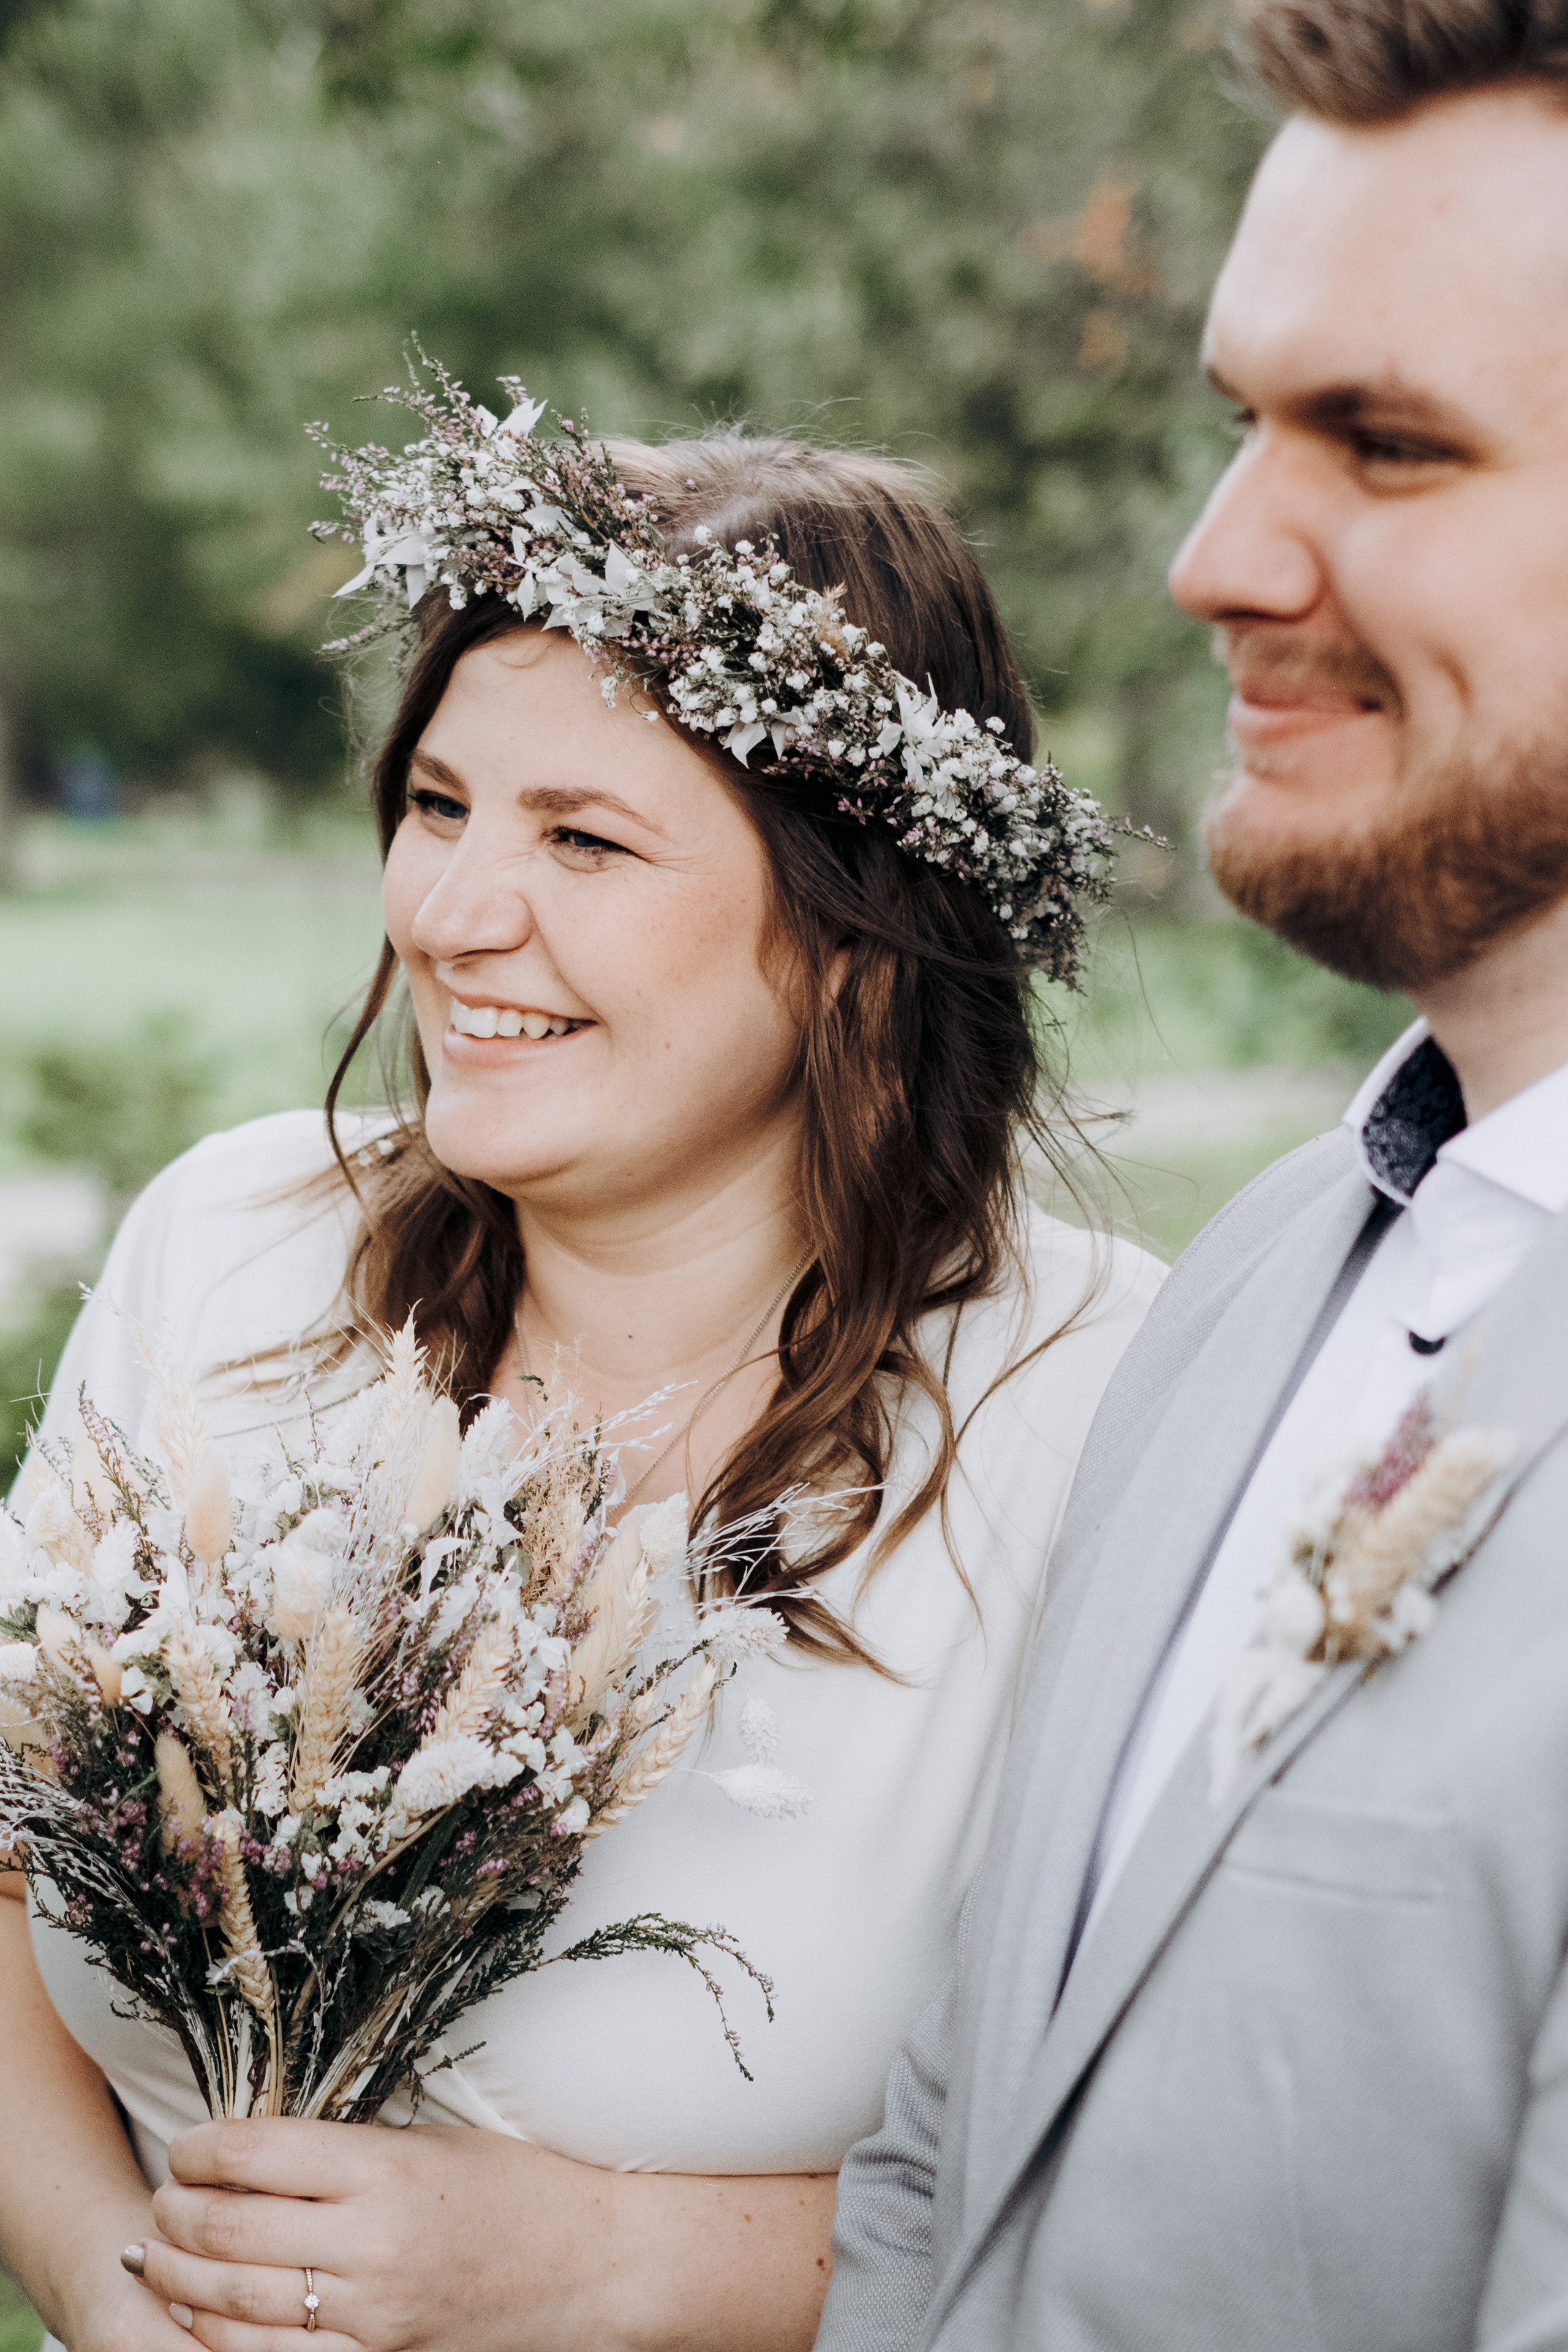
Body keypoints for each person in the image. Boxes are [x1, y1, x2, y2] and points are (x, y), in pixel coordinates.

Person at [0, 413, 1162, 2352]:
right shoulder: (232, 1253)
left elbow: (1173, 2183)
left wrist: (593, 2267)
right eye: (439, 804)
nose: (452, 912)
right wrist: (122, 2296)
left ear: (860, 935)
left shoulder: (1100, 1404)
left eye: (584, 839)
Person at [820, 10, 1568, 2348]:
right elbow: (945, 2151)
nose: (1213, 559)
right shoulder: (1254, 1270)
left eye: (1391, 444)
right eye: (1242, 423)